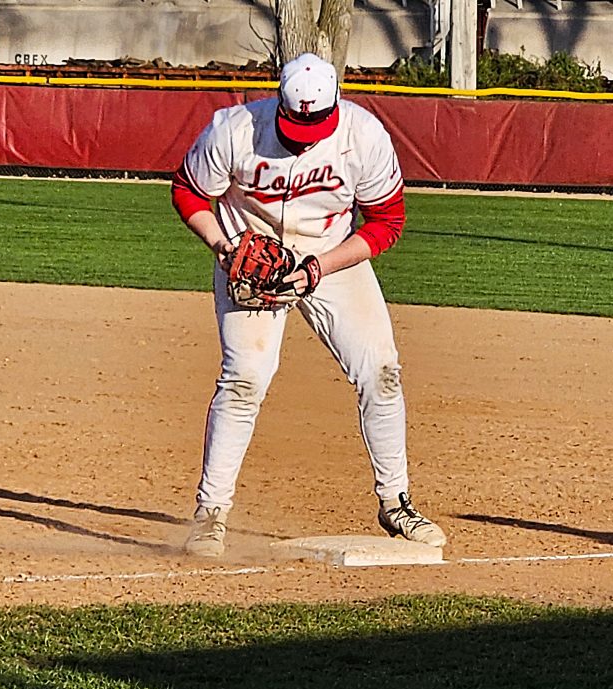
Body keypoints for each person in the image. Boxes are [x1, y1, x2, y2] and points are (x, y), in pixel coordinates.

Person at [170, 51, 447, 557]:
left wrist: (318, 268)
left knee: (381, 370)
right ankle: (210, 515)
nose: (304, 137)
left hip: (331, 258)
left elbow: (387, 222)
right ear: (278, 103)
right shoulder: (233, 130)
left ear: (336, 106)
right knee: (244, 379)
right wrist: (224, 246)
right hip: (249, 259)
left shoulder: (365, 138)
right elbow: (189, 192)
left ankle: (395, 502)